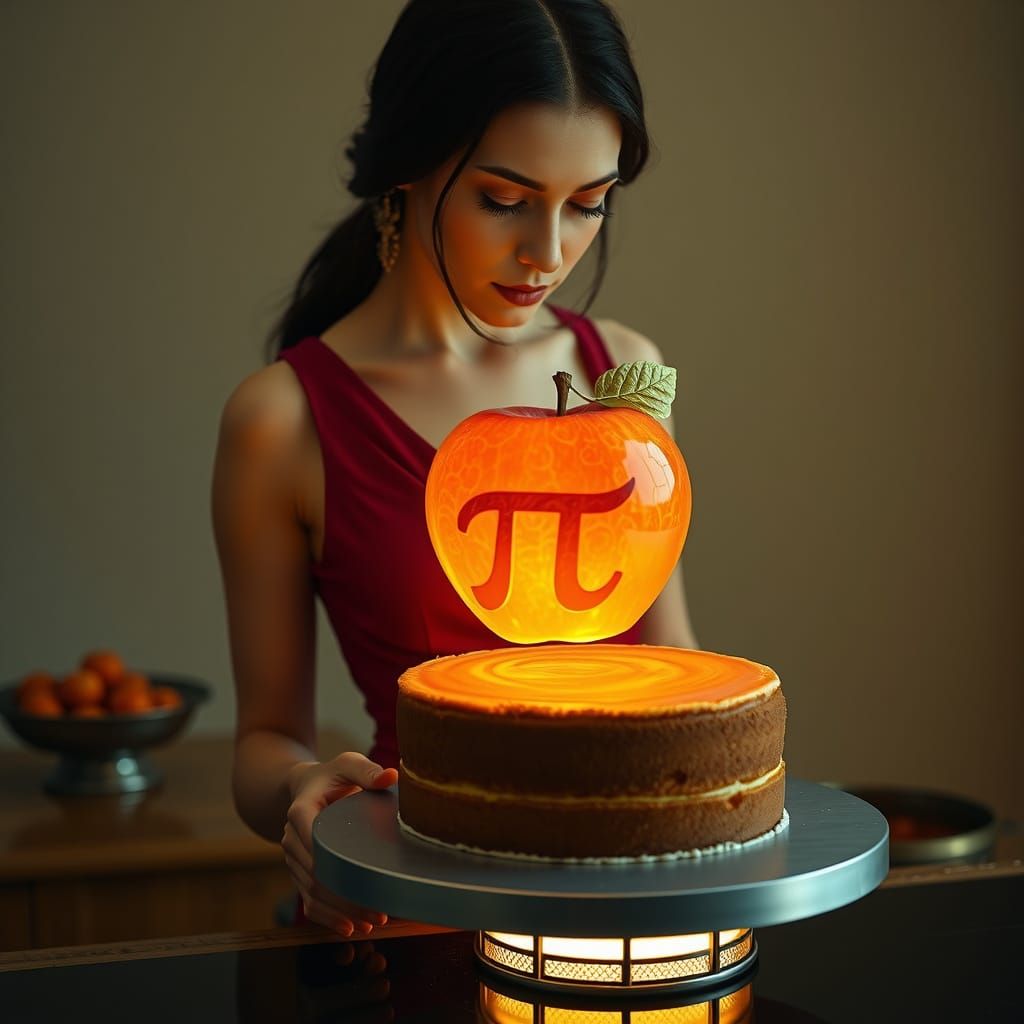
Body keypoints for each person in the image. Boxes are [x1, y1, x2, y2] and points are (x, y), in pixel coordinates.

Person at [212, 0, 698, 939]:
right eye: (505, 200)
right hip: (422, 907)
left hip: (636, 915)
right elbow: (263, 743)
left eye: (589, 204)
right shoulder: (284, 422)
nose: (548, 253)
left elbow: (673, 679)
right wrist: (305, 789)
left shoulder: (622, 378)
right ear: (408, 168)